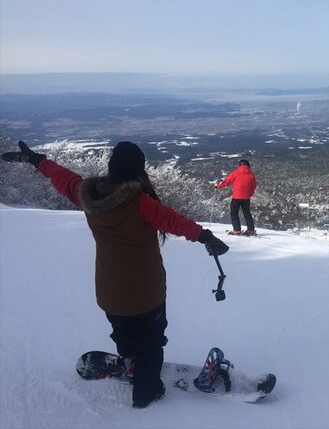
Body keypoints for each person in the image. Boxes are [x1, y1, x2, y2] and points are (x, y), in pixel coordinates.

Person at [1, 141, 229, 408]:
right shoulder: (140, 203)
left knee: (123, 334)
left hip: (110, 292)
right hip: (145, 293)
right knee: (151, 342)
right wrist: (204, 236)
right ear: (138, 171)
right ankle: (147, 391)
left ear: (111, 167)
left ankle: (130, 363)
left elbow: (63, 178)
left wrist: (37, 161)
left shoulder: (88, 195)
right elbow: (173, 220)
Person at [215, 159, 257, 236]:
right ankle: (251, 230)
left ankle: (237, 230)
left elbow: (227, 181)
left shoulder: (235, 173)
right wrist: (249, 194)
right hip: (246, 198)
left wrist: (218, 186)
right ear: (248, 166)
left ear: (240, 165)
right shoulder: (251, 175)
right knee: (247, 213)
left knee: (234, 213)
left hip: (237, 197)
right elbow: (253, 187)